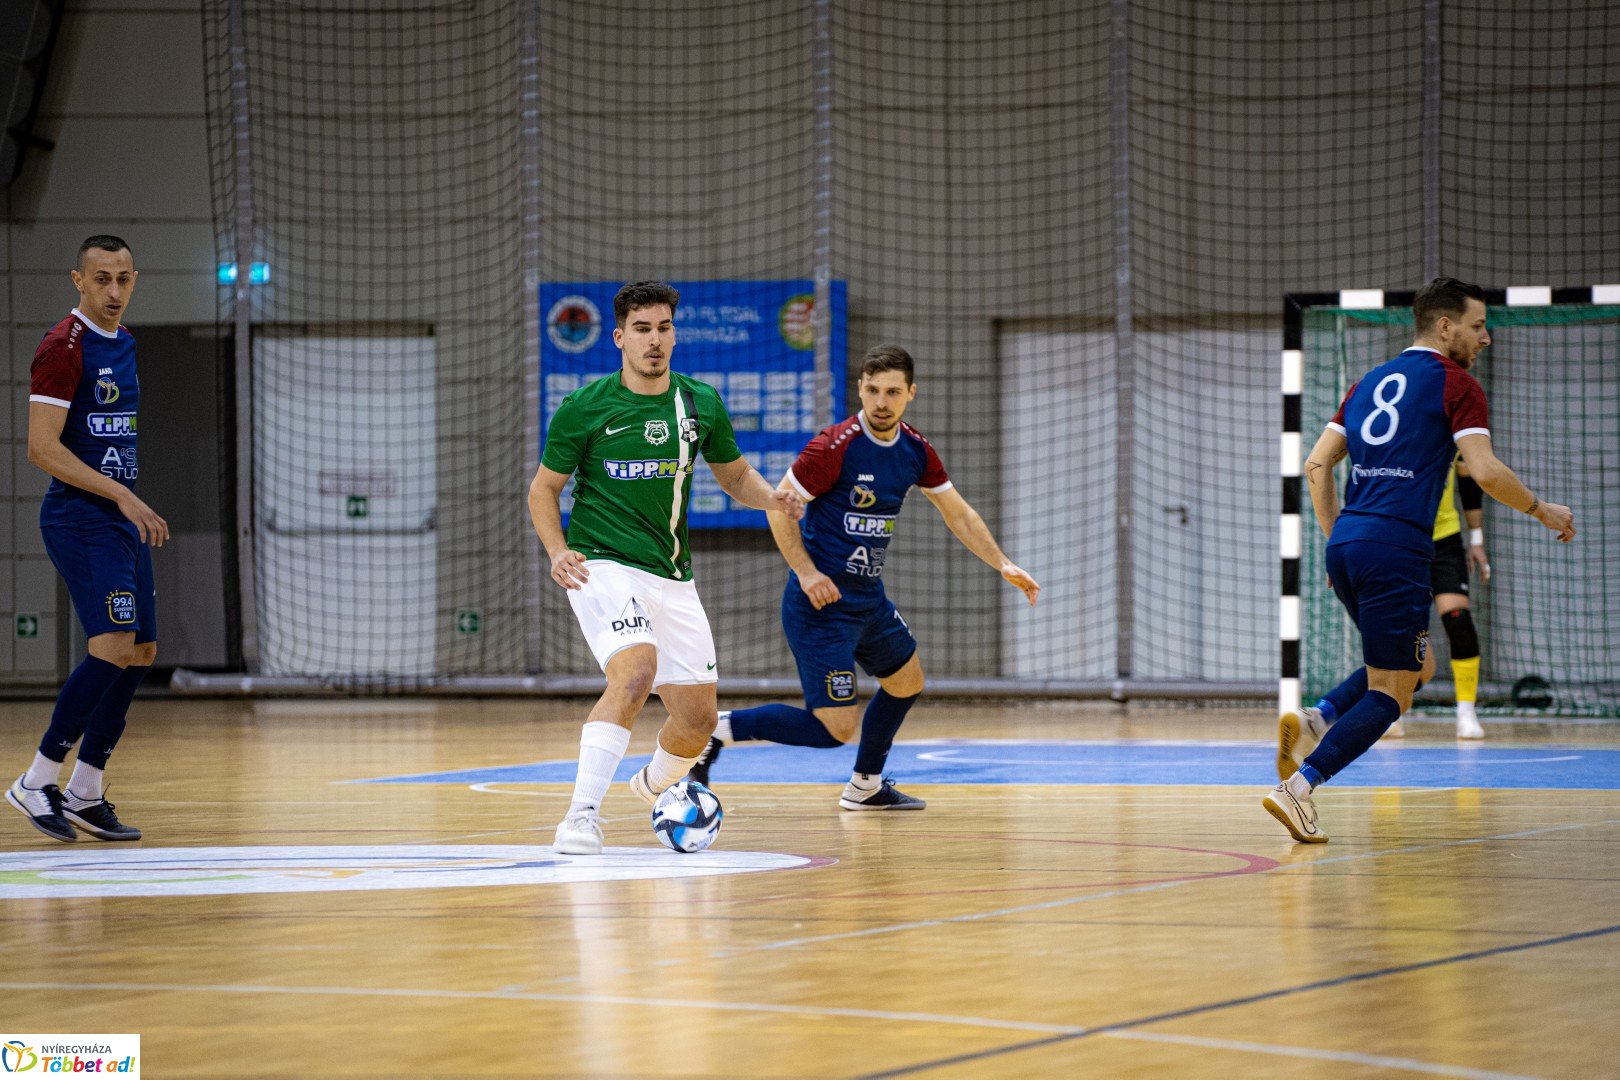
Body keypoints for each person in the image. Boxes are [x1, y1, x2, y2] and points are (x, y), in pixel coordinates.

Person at [1267, 277, 1574, 843]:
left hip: (1349, 545)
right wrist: (1541, 510)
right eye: (1478, 326)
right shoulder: (1455, 385)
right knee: (1394, 691)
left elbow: (1316, 466)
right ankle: (1301, 787)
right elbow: (1483, 471)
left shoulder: (1366, 382)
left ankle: (1319, 719)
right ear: (1444, 326)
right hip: (1399, 549)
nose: (1486, 338)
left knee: (1417, 664)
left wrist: (1338, 537)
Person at [687, 343, 1039, 810]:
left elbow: (959, 514)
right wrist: (807, 572)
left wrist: (1002, 562)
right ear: (860, 389)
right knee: (835, 729)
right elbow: (780, 508)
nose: (881, 401)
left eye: (892, 392)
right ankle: (719, 730)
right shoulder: (832, 446)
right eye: (872, 390)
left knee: (907, 681)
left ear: (910, 393)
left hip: (868, 599)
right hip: (820, 605)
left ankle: (865, 787)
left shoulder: (915, 450)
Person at [530, 281, 803, 854]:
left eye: (664, 328)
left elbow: (733, 477)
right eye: (642, 329)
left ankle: (652, 787)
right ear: (619, 337)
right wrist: (558, 551)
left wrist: (773, 498)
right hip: (601, 563)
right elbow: (543, 490)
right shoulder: (585, 407)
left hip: (672, 573)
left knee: (699, 720)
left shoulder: (699, 402)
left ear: (675, 334)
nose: (654, 340)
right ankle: (579, 818)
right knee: (634, 674)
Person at [7, 236, 169, 843]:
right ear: (78, 279)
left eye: (124, 279)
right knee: (112, 644)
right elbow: (41, 448)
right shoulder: (61, 347)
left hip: (118, 518)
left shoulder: (124, 343)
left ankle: (85, 790)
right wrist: (122, 495)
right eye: (101, 280)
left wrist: (125, 501)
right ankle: (37, 780)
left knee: (142, 651)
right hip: (80, 518)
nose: (114, 292)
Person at [1380, 457, 1490, 739]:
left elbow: (1467, 478)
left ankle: (1466, 712)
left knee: (1459, 619)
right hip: (1400, 535)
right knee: (1397, 627)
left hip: (1445, 539)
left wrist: (1476, 539)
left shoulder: (1453, 431)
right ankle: (1390, 710)